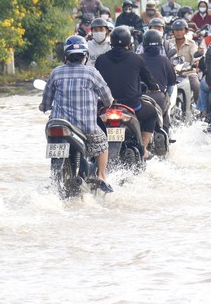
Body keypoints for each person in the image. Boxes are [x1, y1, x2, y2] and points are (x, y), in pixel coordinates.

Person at [40, 35, 114, 191]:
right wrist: (106, 104)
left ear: (66, 56)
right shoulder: (92, 73)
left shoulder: (56, 72)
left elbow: (46, 100)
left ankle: (54, 183)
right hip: (86, 126)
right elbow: (107, 98)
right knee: (103, 143)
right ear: (85, 56)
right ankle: (101, 176)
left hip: (57, 124)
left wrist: (43, 107)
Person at [94, 25, 161, 155]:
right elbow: (149, 81)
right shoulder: (137, 59)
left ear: (111, 42)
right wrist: (154, 87)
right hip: (132, 106)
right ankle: (145, 149)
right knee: (152, 113)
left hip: (106, 106)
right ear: (129, 43)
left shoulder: (101, 59)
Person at [141, 29, 177, 132]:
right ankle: (165, 134)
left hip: (139, 97)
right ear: (160, 45)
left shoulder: (137, 58)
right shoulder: (165, 60)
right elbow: (171, 83)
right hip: (158, 97)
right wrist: (168, 98)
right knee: (165, 116)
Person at [166, 18, 201, 103]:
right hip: (171, 73)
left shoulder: (191, 43)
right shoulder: (167, 43)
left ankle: (198, 108)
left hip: (188, 72)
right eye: (176, 30)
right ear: (173, 32)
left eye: (181, 30)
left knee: (196, 85)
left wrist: (196, 62)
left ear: (185, 31)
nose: (178, 32)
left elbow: (195, 56)